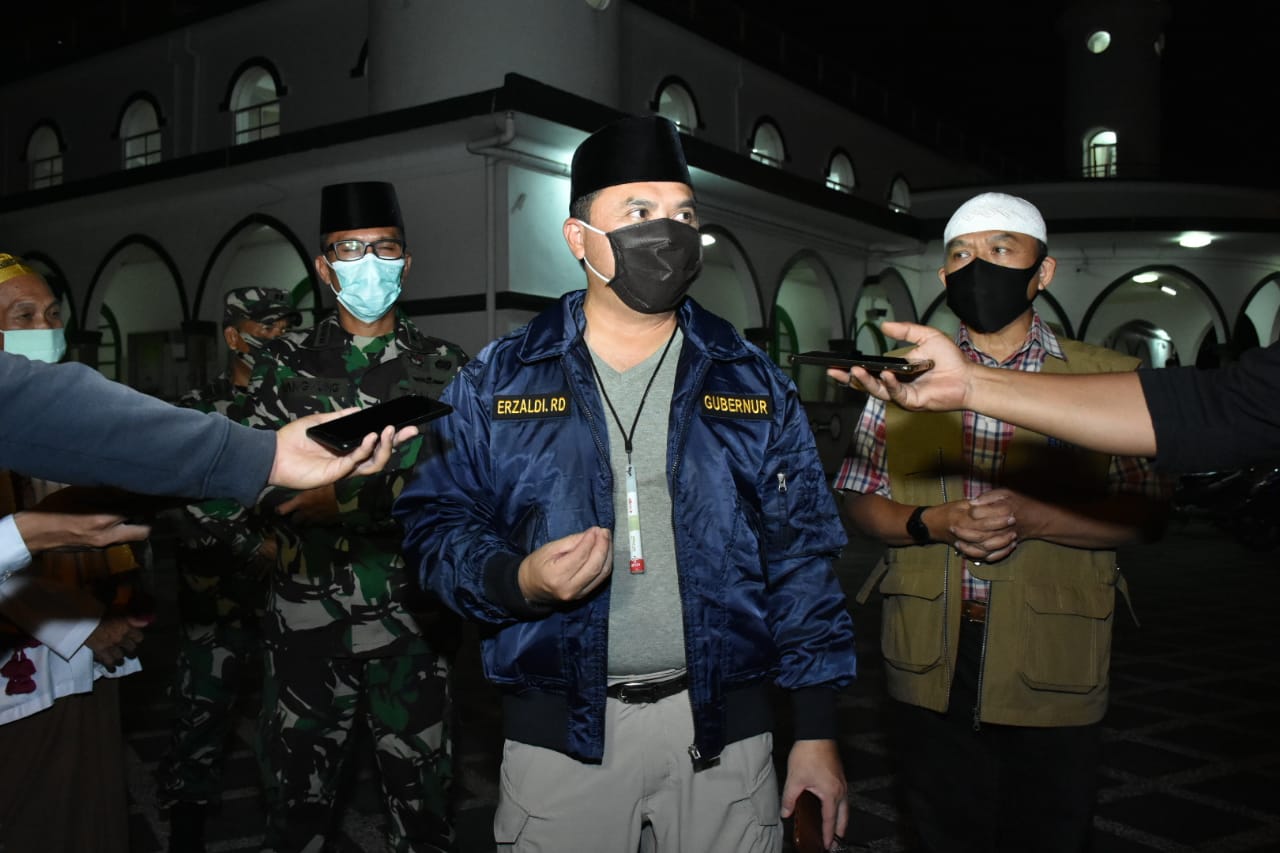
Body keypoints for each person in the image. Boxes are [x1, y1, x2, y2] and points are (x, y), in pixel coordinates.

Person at [395, 114, 857, 853]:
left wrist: (817, 730)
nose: (667, 233)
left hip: (724, 737)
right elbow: (434, 527)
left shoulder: (749, 377)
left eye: (682, 214)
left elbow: (802, 557)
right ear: (579, 238)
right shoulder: (499, 379)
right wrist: (515, 579)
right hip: (562, 738)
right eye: (639, 213)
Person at [832, 192, 1172, 853]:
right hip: (929, 657)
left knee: (1049, 832)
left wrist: (1040, 518)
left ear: (1041, 271)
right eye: (961, 253)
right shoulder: (905, 378)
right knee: (940, 831)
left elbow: (1145, 511)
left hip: (1054, 658)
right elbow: (862, 497)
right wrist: (933, 520)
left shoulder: (1103, 377)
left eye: (1000, 250)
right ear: (943, 276)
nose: (978, 265)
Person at [238, 181, 466, 853]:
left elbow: (470, 489)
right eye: (349, 248)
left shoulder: (446, 367)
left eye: (384, 248)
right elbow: (248, 482)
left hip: (414, 633)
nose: (369, 262)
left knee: (424, 814)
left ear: (406, 261)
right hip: (307, 629)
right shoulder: (281, 366)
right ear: (323, 265)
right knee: (296, 812)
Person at [0, 255, 152, 852]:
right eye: (23, 315)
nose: (45, 328)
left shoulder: (70, 412)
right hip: (30, 660)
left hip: (86, 654)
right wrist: (82, 625)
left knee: (89, 812)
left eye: (52, 314)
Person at [156, 287, 300, 851]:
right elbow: (188, 489)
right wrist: (251, 543)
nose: (276, 337)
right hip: (214, 596)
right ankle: (186, 821)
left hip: (287, 596)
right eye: (264, 328)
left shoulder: (297, 404)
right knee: (200, 715)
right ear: (234, 336)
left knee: (288, 721)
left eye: (285, 326)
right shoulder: (197, 407)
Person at [835, 322, 1280, 474]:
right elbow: (1219, 407)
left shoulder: (1105, 366)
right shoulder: (910, 370)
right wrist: (970, 384)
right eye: (961, 252)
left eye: (1001, 249)